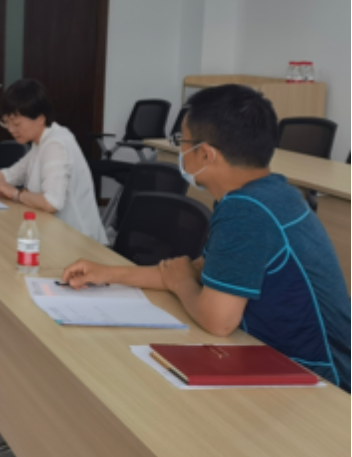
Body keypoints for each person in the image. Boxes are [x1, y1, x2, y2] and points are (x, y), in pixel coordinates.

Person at [63, 84, 351, 391]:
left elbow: (217, 320)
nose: (180, 151)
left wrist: (181, 283)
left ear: (205, 154)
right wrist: (107, 273)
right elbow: (193, 270)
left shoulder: (246, 210)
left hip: (323, 382)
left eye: (182, 142)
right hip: (283, 361)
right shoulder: (270, 192)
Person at [0, 79, 109, 245]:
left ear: (40, 118)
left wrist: (16, 195)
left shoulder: (56, 145)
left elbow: (52, 203)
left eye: (17, 124)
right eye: (6, 123)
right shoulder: (41, 140)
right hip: (55, 231)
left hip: (78, 241)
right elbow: (11, 174)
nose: (11, 130)